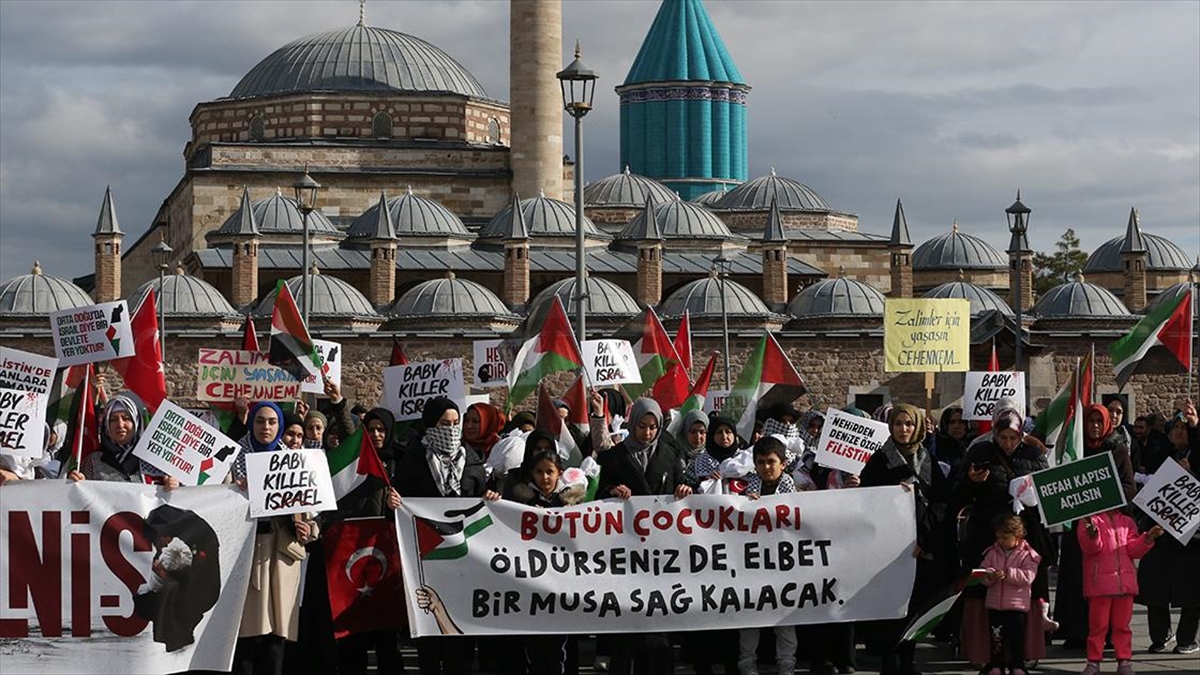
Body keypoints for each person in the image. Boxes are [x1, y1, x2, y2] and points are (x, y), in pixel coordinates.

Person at [597, 397, 693, 675]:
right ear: (632, 424)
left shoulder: (669, 454)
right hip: (626, 548)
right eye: (642, 426)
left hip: (660, 551)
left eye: (653, 427)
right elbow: (599, 495)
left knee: (657, 623)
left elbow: (682, 484)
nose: (648, 433)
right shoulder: (616, 457)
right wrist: (613, 492)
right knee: (627, 623)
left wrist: (684, 491)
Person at [954, 400, 1054, 663]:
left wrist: (1032, 496)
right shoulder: (979, 452)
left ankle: (1022, 653)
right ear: (995, 433)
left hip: (1023, 536)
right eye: (1002, 437)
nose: (1008, 443)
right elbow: (959, 494)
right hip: (987, 536)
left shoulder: (1034, 454)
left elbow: (1048, 493)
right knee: (987, 592)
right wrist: (970, 482)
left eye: (1013, 437)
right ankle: (985, 653)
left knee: (1020, 591)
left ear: (1020, 434)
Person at [395, 396, 486, 675]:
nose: (451, 429)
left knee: (460, 625)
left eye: (455, 424)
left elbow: (481, 499)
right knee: (431, 624)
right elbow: (403, 500)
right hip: (427, 556)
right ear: (430, 425)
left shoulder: (471, 459)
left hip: (464, 556)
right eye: (444, 424)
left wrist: (490, 497)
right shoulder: (412, 459)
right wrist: (396, 503)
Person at [859, 403, 951, 675]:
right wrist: (891, 493)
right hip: (888, 547)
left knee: (914, 607)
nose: (904, 429)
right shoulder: (879, 460)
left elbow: (941, 502)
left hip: (920, 547)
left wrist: (926, 538)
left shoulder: (927, 459)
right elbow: (866, 500)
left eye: (909, 424)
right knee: (890, 606)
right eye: (898, 424)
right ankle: (889, 660)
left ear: (918, 427)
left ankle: (907, 660)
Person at [230, 401, 320, 675]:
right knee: (245, 637)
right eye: (259, 421)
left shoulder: (295, 463)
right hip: (246, 559)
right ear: (251, 423)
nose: (265, 427)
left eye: (271, 422)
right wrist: (235, 491)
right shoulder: (233, 460)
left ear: (279, 426)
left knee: (275, 641)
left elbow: (312, 513)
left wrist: (308, 529)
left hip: (282, 560)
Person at [485, 442, 585, 675]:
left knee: (558, 648)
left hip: (562, 587)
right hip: (530, 588)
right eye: (539, 472)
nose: (544, 477)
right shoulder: (518, 503)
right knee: (534, 649)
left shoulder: (573, 505)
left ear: (559, 473)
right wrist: (491, 501)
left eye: (550, 472)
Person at [328, 406, 404, 675]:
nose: (376, 434)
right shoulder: (358, 458)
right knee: (354, 624)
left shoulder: (402, 460)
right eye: (371, 429)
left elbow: (417, 499)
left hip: (388, 549)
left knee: (386, 623)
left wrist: (399, 504)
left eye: (381, 429)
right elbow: (350, 434)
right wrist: (338, 404)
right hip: (354, 546)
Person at [1054, 403, 1138, 647]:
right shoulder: (1075, 449)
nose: (1095, 426)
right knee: (1076, 578)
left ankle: (1109, 635)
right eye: (1090, 422)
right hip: (1079, 527)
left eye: (1099, 422)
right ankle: (1077, 631)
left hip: (1109, 530)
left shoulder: (1118, 450)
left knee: (1107, 583)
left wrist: (1101, 499)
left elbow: (1129, 487)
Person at [1137, 409, 1200, 656]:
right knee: (1154, 586)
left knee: (1192, 590)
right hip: (1161, 531)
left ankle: (1187, 638)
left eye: (1185, 429)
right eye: (1176, 428)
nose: (1179, 432)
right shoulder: (1161, 453)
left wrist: (1191, 473)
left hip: (1192, 536)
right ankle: (1160, 634)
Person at [736, 436, 799, 675]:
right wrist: (744, 505)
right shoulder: (745, 488)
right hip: (752, 565)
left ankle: (786, 665)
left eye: (771, 461)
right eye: (760, 462)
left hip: (783, 565)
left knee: (785, 620)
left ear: (782, 463)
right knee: (750, 619)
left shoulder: (791, 488)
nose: (766, 467)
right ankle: (747, 664)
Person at [1078, 510, 1164, 675]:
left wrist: (1148, 538)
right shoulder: (1089, 519)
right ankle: (1093, 661)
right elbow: (1090, 549)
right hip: (1100, 586)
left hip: (1124, 585)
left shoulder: (1127, 521)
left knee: (1122, 627)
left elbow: (1134, 550)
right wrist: (1092, 534)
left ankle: (1124, 661)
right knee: (1098, 627)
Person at [68, 393, 176, 487]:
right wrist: (78, 484)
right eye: (113, 419)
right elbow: (80, 501)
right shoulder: (93, 461)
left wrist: (175, 485)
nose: (120, 425)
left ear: (136, 423)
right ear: (106, 425)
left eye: (126, 418)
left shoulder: (155, 458)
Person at [980, 514, 1041, 675]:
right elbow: (982, 573)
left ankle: (1018, 666)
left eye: (1005, 538)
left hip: (1016, 606)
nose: (1001, 541)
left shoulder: (1027, 554)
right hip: (995, 605)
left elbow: (1028, 576)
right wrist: (990, 575)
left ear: (1018, 536)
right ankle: (996, 666)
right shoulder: (992, 552)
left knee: (1017, 639)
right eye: (998, 537)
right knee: (996, 638)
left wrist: (1008, 574)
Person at [935, 406, 974, 480]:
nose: (956, 426)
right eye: (951, 422)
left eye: (961, 422)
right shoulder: (937, 445)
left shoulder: (973, 445)